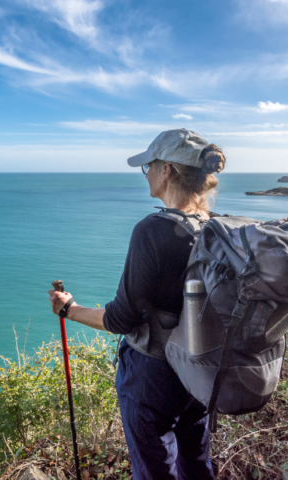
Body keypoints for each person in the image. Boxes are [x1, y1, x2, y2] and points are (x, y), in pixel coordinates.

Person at [48, 128, 226, 480]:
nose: (147, 174)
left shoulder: (153, 230)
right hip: (203, 368)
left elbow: (120, 318)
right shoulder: (217, 228)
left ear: (167, 171)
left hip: (154, 375)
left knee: (155, 471)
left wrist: (69, 309)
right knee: (196, 463)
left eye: (149, 167)